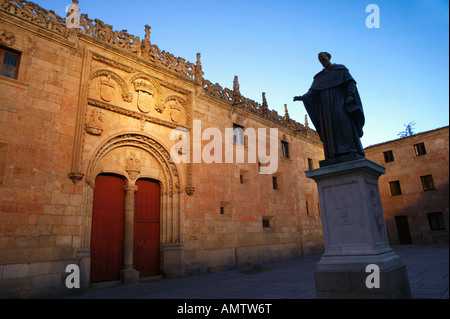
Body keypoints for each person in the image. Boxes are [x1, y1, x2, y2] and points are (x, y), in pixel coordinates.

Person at [294, 52, 365, 167]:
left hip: (340, 101)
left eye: (323, 58)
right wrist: (303, 97)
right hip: (326, 106)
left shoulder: (340, 69)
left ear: (329, 58)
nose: (322, 61)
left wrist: (350, 95)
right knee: (330, 127)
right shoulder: (319, 77)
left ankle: (351, 148)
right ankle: (334, 153)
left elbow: (350, 83)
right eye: (320, 60)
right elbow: (312, 91)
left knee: (343, 121)